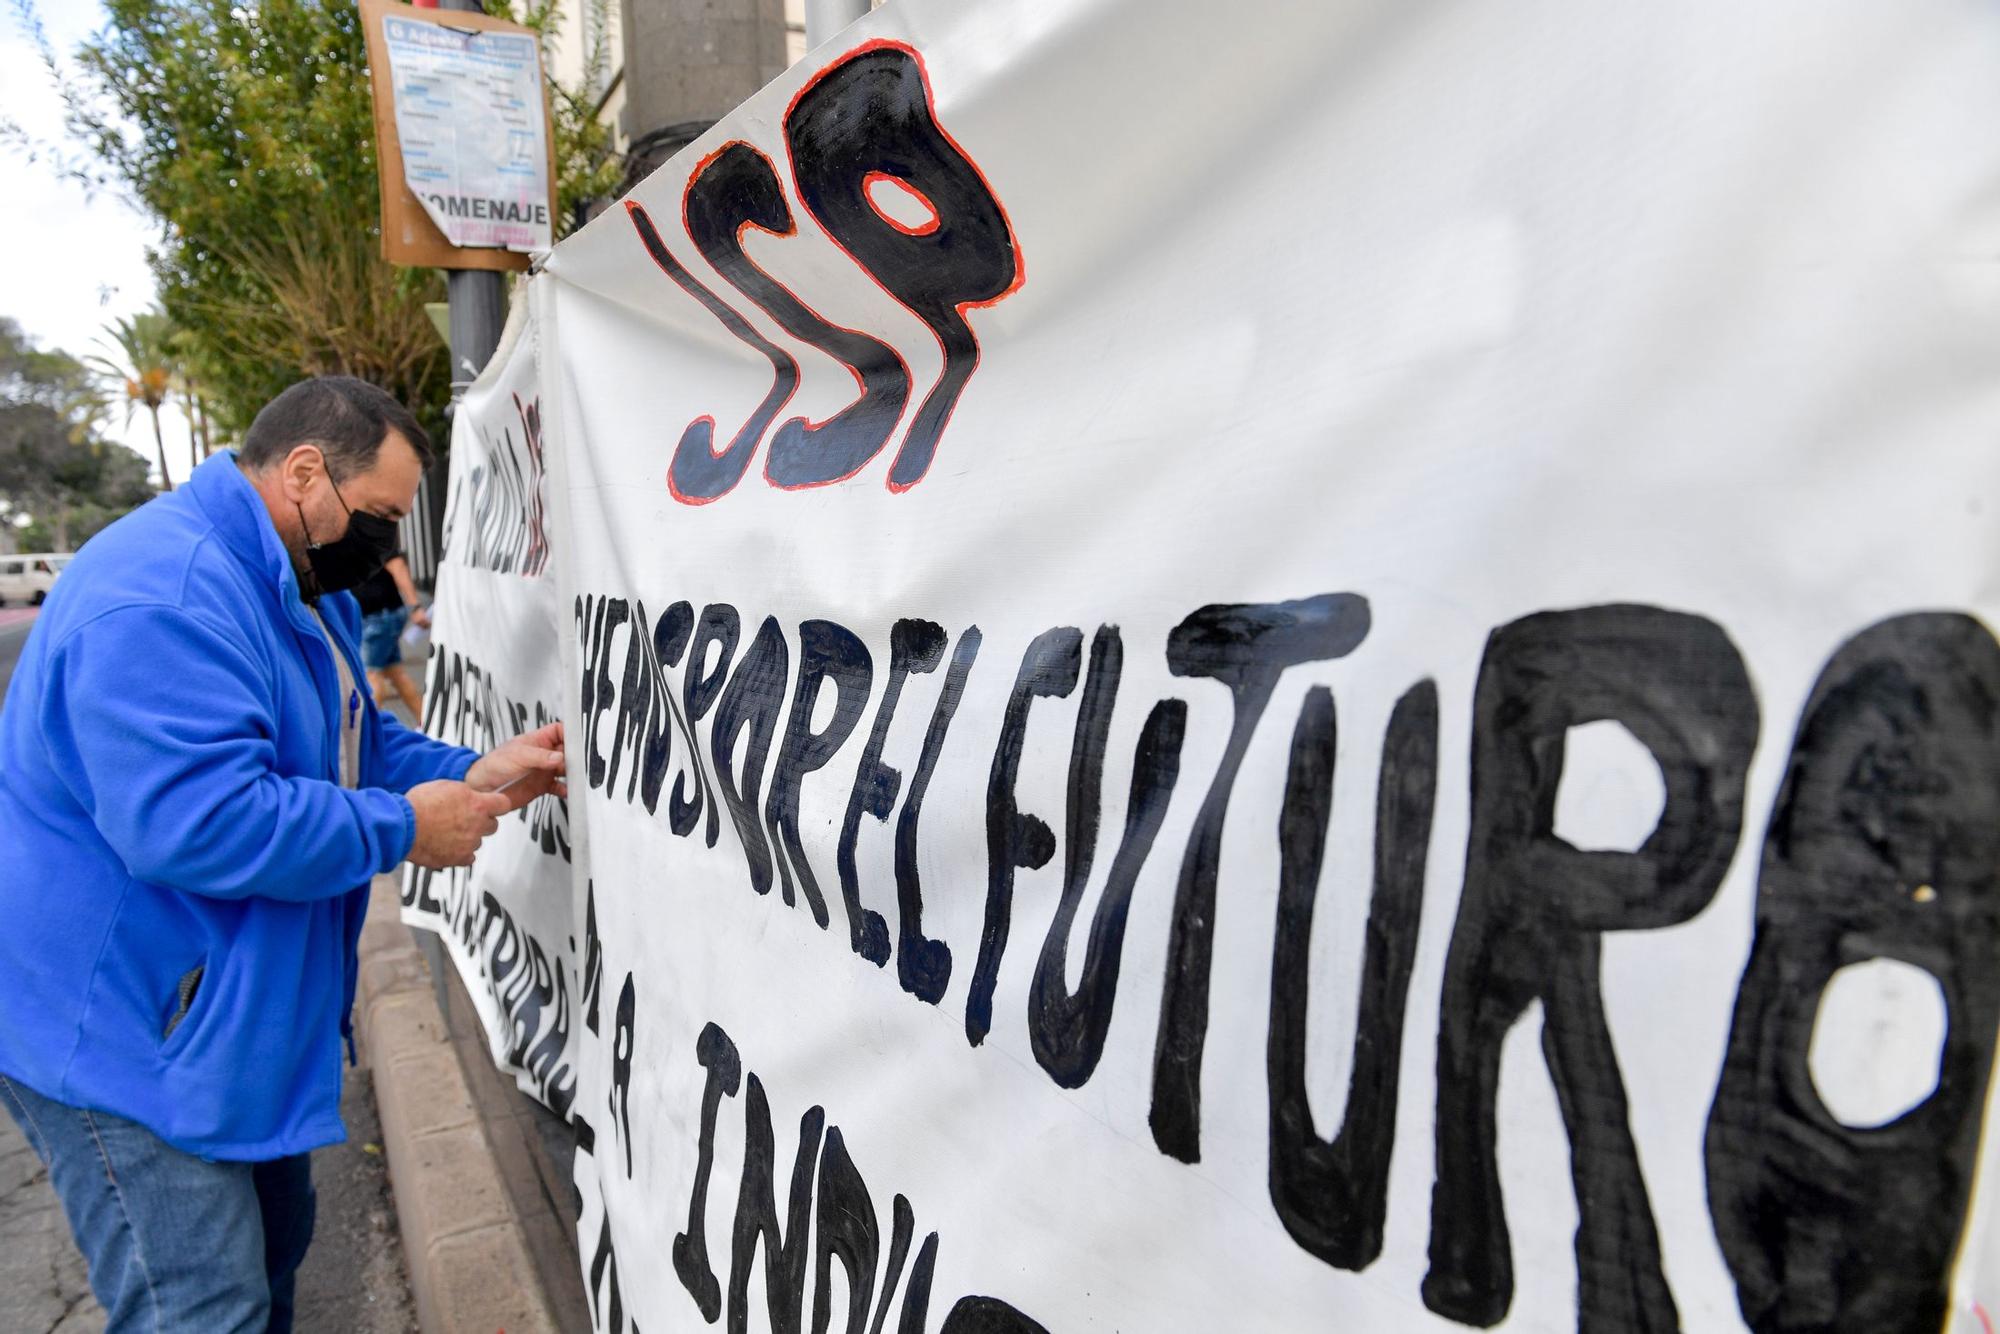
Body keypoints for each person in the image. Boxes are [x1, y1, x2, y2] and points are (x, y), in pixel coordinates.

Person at [0, 376, 566, 1333]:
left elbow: (360, 746)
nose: (385, 544)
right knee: (203, 1307)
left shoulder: (298, 582)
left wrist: (475, 769)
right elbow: (197, 821)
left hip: (220, 1023)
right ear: (306, 473)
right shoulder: (161, 598)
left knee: (268, 1263)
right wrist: (401, 830)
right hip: (126, 1034)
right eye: (379, 515)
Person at [356, 550, 430, 718]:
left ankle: (369, 735)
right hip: (377, 615)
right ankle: (427, 723)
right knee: (396, 674)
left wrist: (415, 606)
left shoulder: (370, 527)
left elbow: (398, 566)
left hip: (379, 616)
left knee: (371, 676)